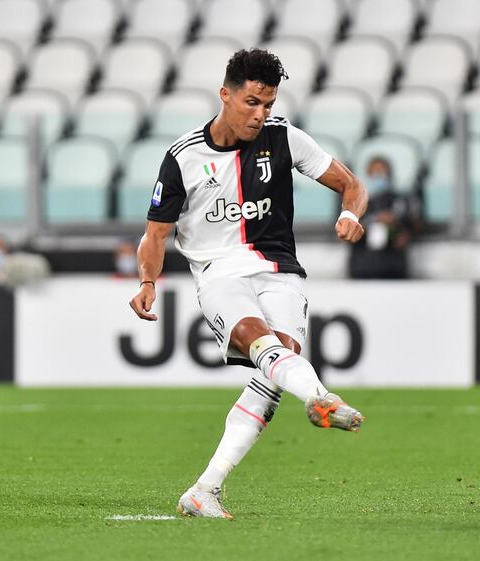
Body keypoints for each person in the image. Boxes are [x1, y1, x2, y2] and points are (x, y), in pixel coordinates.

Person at [128, 49, 368, 520]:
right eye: (252, 102)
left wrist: (348, 213)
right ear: (226, 95)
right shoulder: (183, 157)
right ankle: (320, 397)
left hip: (280, 271)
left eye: (269, 104)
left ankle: (204, 491)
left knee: (274, 371)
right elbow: (155, 233)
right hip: (219, 272)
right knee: (267, 349)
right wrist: (147, 281)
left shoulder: (285, 139)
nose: (261, 115)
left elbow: (352, 184)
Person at [348, 156, 420, 279]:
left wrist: (397, 226)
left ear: (389, 174)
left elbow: (414, 228)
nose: (378, 176)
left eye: (381, 172)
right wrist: (374, 219)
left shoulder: (401, 201)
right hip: (362, 268)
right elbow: (345, 231)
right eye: (374, 172)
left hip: (394, 268)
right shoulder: (355, 202)